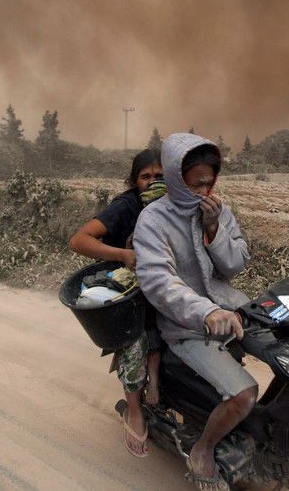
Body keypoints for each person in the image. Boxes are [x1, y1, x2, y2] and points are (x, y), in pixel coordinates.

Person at [133, 133, 257, 489]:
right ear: (176, 179)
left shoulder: (218, 211)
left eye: (210, 181)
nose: (206, 190)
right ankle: (203, 450)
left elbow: (234, 266)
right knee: (244, 394)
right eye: (197, 183)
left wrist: (214, 229)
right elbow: (158, 281)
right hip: (186, 326)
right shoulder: (153, 221)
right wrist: (204, 312)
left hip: (229, 309)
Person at [69, 148, 163, 458]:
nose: (152, 182)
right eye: (145, 176)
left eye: (160, 176)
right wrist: (122, 254)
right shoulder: (127, 206)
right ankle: (134, 410)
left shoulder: (175, 206)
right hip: (132, 290)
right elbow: (80, 239)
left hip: (167, 287)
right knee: (134, 343)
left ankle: (162, 383)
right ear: (135, 181)